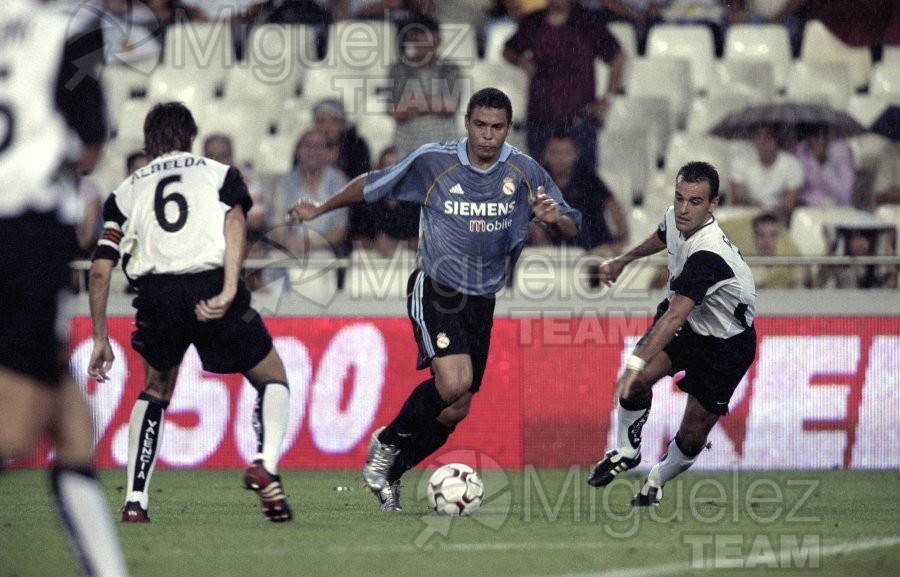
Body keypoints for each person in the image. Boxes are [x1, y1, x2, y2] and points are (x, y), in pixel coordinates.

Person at [287, 87, 581, 511]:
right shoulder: (434, 161)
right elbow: (372, 183)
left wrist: (556, 221)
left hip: (483, 297)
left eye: (497, 128)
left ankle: (390, 472)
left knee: (455, 409)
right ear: (467, 123)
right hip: (437, 286)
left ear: (508, 129)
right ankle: (386, 442)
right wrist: (321, 208)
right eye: (480, 125)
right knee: (454, 382)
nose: (487, 135)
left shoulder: (524, 170)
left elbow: (571, 224)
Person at [87, 102, 294, 523]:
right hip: (211, 283)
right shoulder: (218, 174)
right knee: (272, 376)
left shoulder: (125, 192)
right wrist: (231, 287)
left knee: (155, 389)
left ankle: (134, 501)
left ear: (148, 142)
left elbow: (100, 270)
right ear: (190, 136)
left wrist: (99, 336)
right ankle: (265, 464)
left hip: (156, 293)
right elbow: (235, 224)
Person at [0, 2, 130, 576]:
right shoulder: (72, 27)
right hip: (25, 231)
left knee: (70, 417)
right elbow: (89, 139)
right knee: (17, 428)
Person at [586, 161, 757, 506]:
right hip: (693, 326)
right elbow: (663, 235)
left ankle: (657, 478)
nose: (683, 208)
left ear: (713, 205)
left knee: (693, 436)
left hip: (727, 345)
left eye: (695, 202)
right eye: (680, 198)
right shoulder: (676, 218)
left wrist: (635, 361)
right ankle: (626, 449)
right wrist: (624, 260)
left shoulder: (709, 254)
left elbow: (676, 315)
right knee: (635, 384)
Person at [503, 0, 625, 174]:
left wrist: (607, 99)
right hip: (540, 116)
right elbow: (509, 50)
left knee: (582, 182)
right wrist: (522, 61)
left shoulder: (587, 21)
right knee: (539, 181)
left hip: (579, 118)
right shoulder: (534, 21)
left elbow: (617, 57)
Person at [537, 131, 628, 254]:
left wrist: (621, 240)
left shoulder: (588, 178)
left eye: (566, 153)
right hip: (553, 255)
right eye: (555, 153)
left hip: (595, 250)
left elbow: (614, 207)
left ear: (576, 154)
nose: (561, 159)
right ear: (545, 155)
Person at [388, 14, 462, 158]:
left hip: (444, 148)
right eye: (418, 40)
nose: (423, 47)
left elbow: (450, 106)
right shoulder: (399, 70)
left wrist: (414, 102)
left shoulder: (450, 68)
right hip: (407, 148)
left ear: (437, 41)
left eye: (428, 41)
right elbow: (396, 111)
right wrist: (435, 102)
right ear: (411, 40)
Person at [271, 128, 349, 257]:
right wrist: (289, 241)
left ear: (328, 152)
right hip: (290, 249)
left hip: (324, 251)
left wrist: (311, 243)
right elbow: (276, 224)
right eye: (308, 145)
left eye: (319, 146)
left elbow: (340, 231)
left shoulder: (339, 182)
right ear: (298, 151)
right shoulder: (284, 183)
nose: (313, 151)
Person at [729, 123, 804, 222]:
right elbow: (737, 201)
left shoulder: (793, 164)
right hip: (746, 216)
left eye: (768, 137)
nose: (763, 142)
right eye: (758, 136)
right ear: (752, 139)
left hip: (778, 220)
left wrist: (767, 212)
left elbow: (789, 207)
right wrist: (753, 208)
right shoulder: (740, 160)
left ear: (777, 139)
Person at [793, 123, 855, 208]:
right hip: (807, 205)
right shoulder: (801, 149)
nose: (819, 140)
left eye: (822, 134)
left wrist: (823, 163)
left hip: (835, 206)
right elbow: (798, 187)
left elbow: (844, 195)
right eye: (814, 136)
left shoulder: (840, 149)